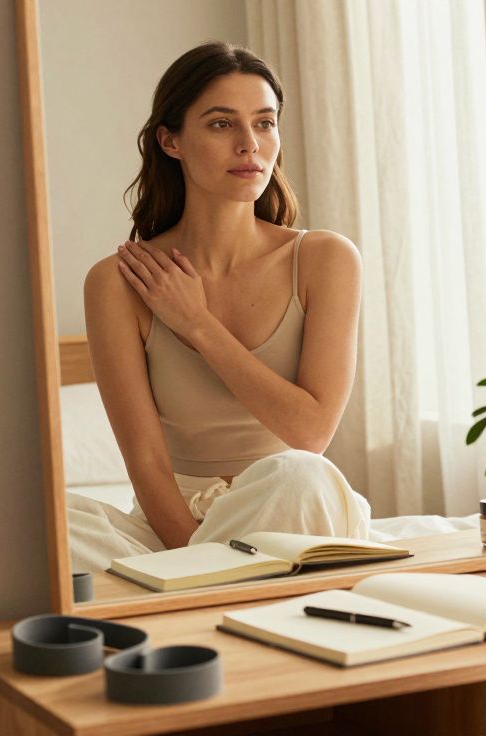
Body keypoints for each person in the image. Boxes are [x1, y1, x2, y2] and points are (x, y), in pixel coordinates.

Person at [66, 42, 371, 574]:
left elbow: (311, 434)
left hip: (287, 509)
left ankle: (200, 586)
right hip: (169, 526)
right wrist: (196, 559)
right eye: (222, 124)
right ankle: (220, 580)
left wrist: (197, 324)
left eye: (265, 123)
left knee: (301, 474)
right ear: (171, 141)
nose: (250, 144)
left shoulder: (325, 259)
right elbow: (146, 462)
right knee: (54, 518)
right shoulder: (118, 282)